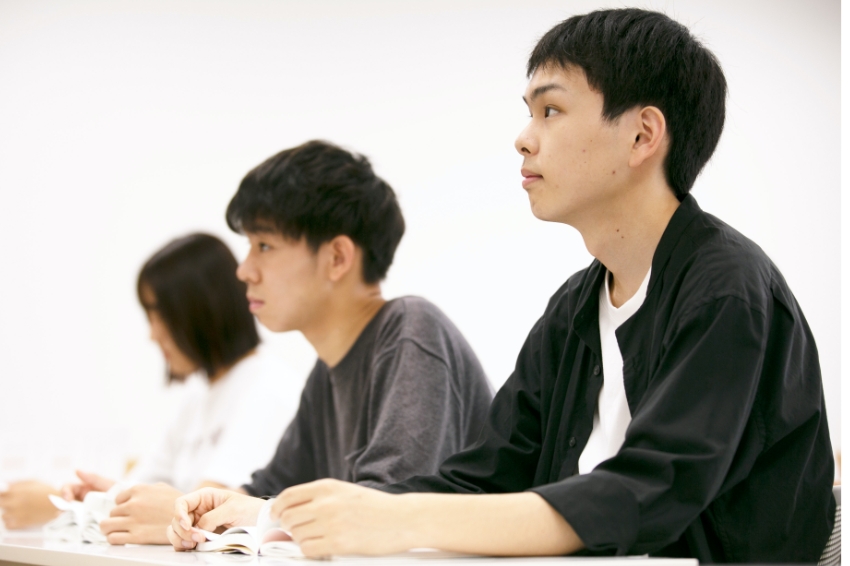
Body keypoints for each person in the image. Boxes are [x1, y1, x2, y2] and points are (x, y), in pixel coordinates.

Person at [168, 9, 834, 562]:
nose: (523, 139)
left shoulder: (727, 291)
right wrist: (270, 513)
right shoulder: (575, 307)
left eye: (551, 110)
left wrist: (396, 519)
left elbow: (647, 493)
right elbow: (484, 475)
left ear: (641, 135)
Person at [165, 140, 493, 544]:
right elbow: (268, 489)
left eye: (264, 246)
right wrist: (203, 514)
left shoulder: (412, 330)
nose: (244, 271)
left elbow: (385, 509)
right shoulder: (326, 372)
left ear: (337, 257)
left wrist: (260, 513)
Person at [0, 233, 300, 543]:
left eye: (157, 314)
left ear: (198, 308)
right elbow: (141, 492)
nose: (152, 334)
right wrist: (93, 498)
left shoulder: (268, 389)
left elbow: (208, 517)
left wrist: (56, 506)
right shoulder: (198, 400)